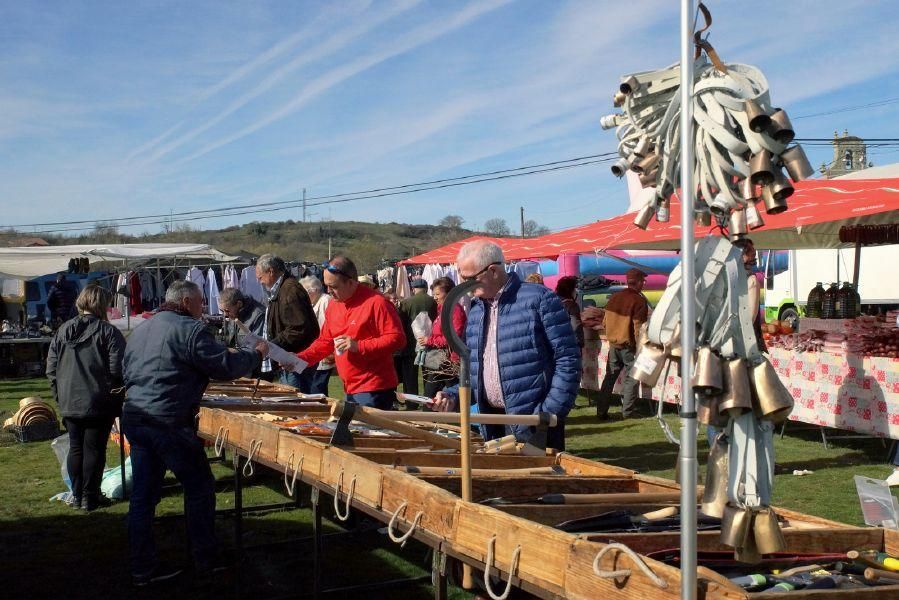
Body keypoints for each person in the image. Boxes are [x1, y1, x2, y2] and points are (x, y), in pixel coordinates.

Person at [122, 280, 268, 586]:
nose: (204, 308)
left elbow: (129, 370)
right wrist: (254, 352)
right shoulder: (190, 329)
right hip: (168, 420)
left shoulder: (142, 330)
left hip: (137, 416)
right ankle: (205, 558)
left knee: (143, 496)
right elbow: (225, 365)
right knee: (200, 487)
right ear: (187, 302)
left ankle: (141, 567)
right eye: (201, 303)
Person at [432, 240, 580, 451]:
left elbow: (568, 359)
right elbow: (478, 374)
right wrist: (453, 395)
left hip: (536, 424)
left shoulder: (540, 300)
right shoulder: (475, 312)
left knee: (538, 482)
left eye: (470, 279)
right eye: (462, 280)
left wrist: (550, 411)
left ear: (493, 271)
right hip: (493, 425)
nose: (465, 286)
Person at [46, 285, 126, 511]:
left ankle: (79, 494)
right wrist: (116, 394)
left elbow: (51, 368)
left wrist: (60, 395)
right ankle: (89, 496)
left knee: (77, 448)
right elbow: (118, 369)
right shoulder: (108, 332)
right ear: (102, 304)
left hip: (71, 400)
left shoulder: (63, 330)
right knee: (93, 449)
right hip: (98, 400)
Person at [296, 256, 405, 410]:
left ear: (351, 283)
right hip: (350, 387)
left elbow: (397, 339)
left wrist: (358, 346)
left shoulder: (377, 303)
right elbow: (325, 341)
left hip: (375, 388)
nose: (328, 291)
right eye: (326, 286)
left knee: (368, 433)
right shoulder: (334, 305)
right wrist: (300, 359)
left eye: (333, 286)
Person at [255, 254, 319, 390]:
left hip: (296, 359)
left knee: (296, 404)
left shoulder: (290, 290)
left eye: (260, 277)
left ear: (271, 271)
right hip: (288, 358)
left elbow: (299, 328)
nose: (260, 281)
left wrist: (273, 345)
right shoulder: (282, 289)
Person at [596, 268, 649, 420]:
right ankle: (628, 411)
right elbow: (639, 327)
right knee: (632, 378)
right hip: (628, 346)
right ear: (638, 282)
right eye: (643, 281)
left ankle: (601, 411)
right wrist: (641, 346)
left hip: (614, 345)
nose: (643, 284)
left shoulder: (615, 297)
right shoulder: (638, 300)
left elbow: (605, 322)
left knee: (609, 378)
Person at [418, 277, 467, 399]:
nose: (434, 297)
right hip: (441, 361)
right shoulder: (442, 309)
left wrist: (429, 340)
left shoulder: (454, 310)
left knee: (432, 397)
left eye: (438, 294)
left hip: (449, 361)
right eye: (433, 294)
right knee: (437, 398)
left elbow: (453, 337)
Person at [397, 278, 437, 396]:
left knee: (410, 377)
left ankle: (412, 402)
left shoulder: (406, 302)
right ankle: (430, 400)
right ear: (426, 288)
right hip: (431, 343)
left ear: (413, 289)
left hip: (410, 344)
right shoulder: (434, 301)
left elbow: (401, 323)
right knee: (429, 375)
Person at [299, 275, 334, 396]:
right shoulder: (315, 303)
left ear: (315, 290)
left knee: (317, 389)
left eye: (306, 293)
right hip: (317, 353)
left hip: (323, 353)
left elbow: (326, 329)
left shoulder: (325, 300)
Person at [555, 276, 584, 349]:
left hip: (555, 344)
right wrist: (580, 343)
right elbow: (576, 326)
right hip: (570, 345)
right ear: (570, 290)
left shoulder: (552, 303)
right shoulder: (572, 306)